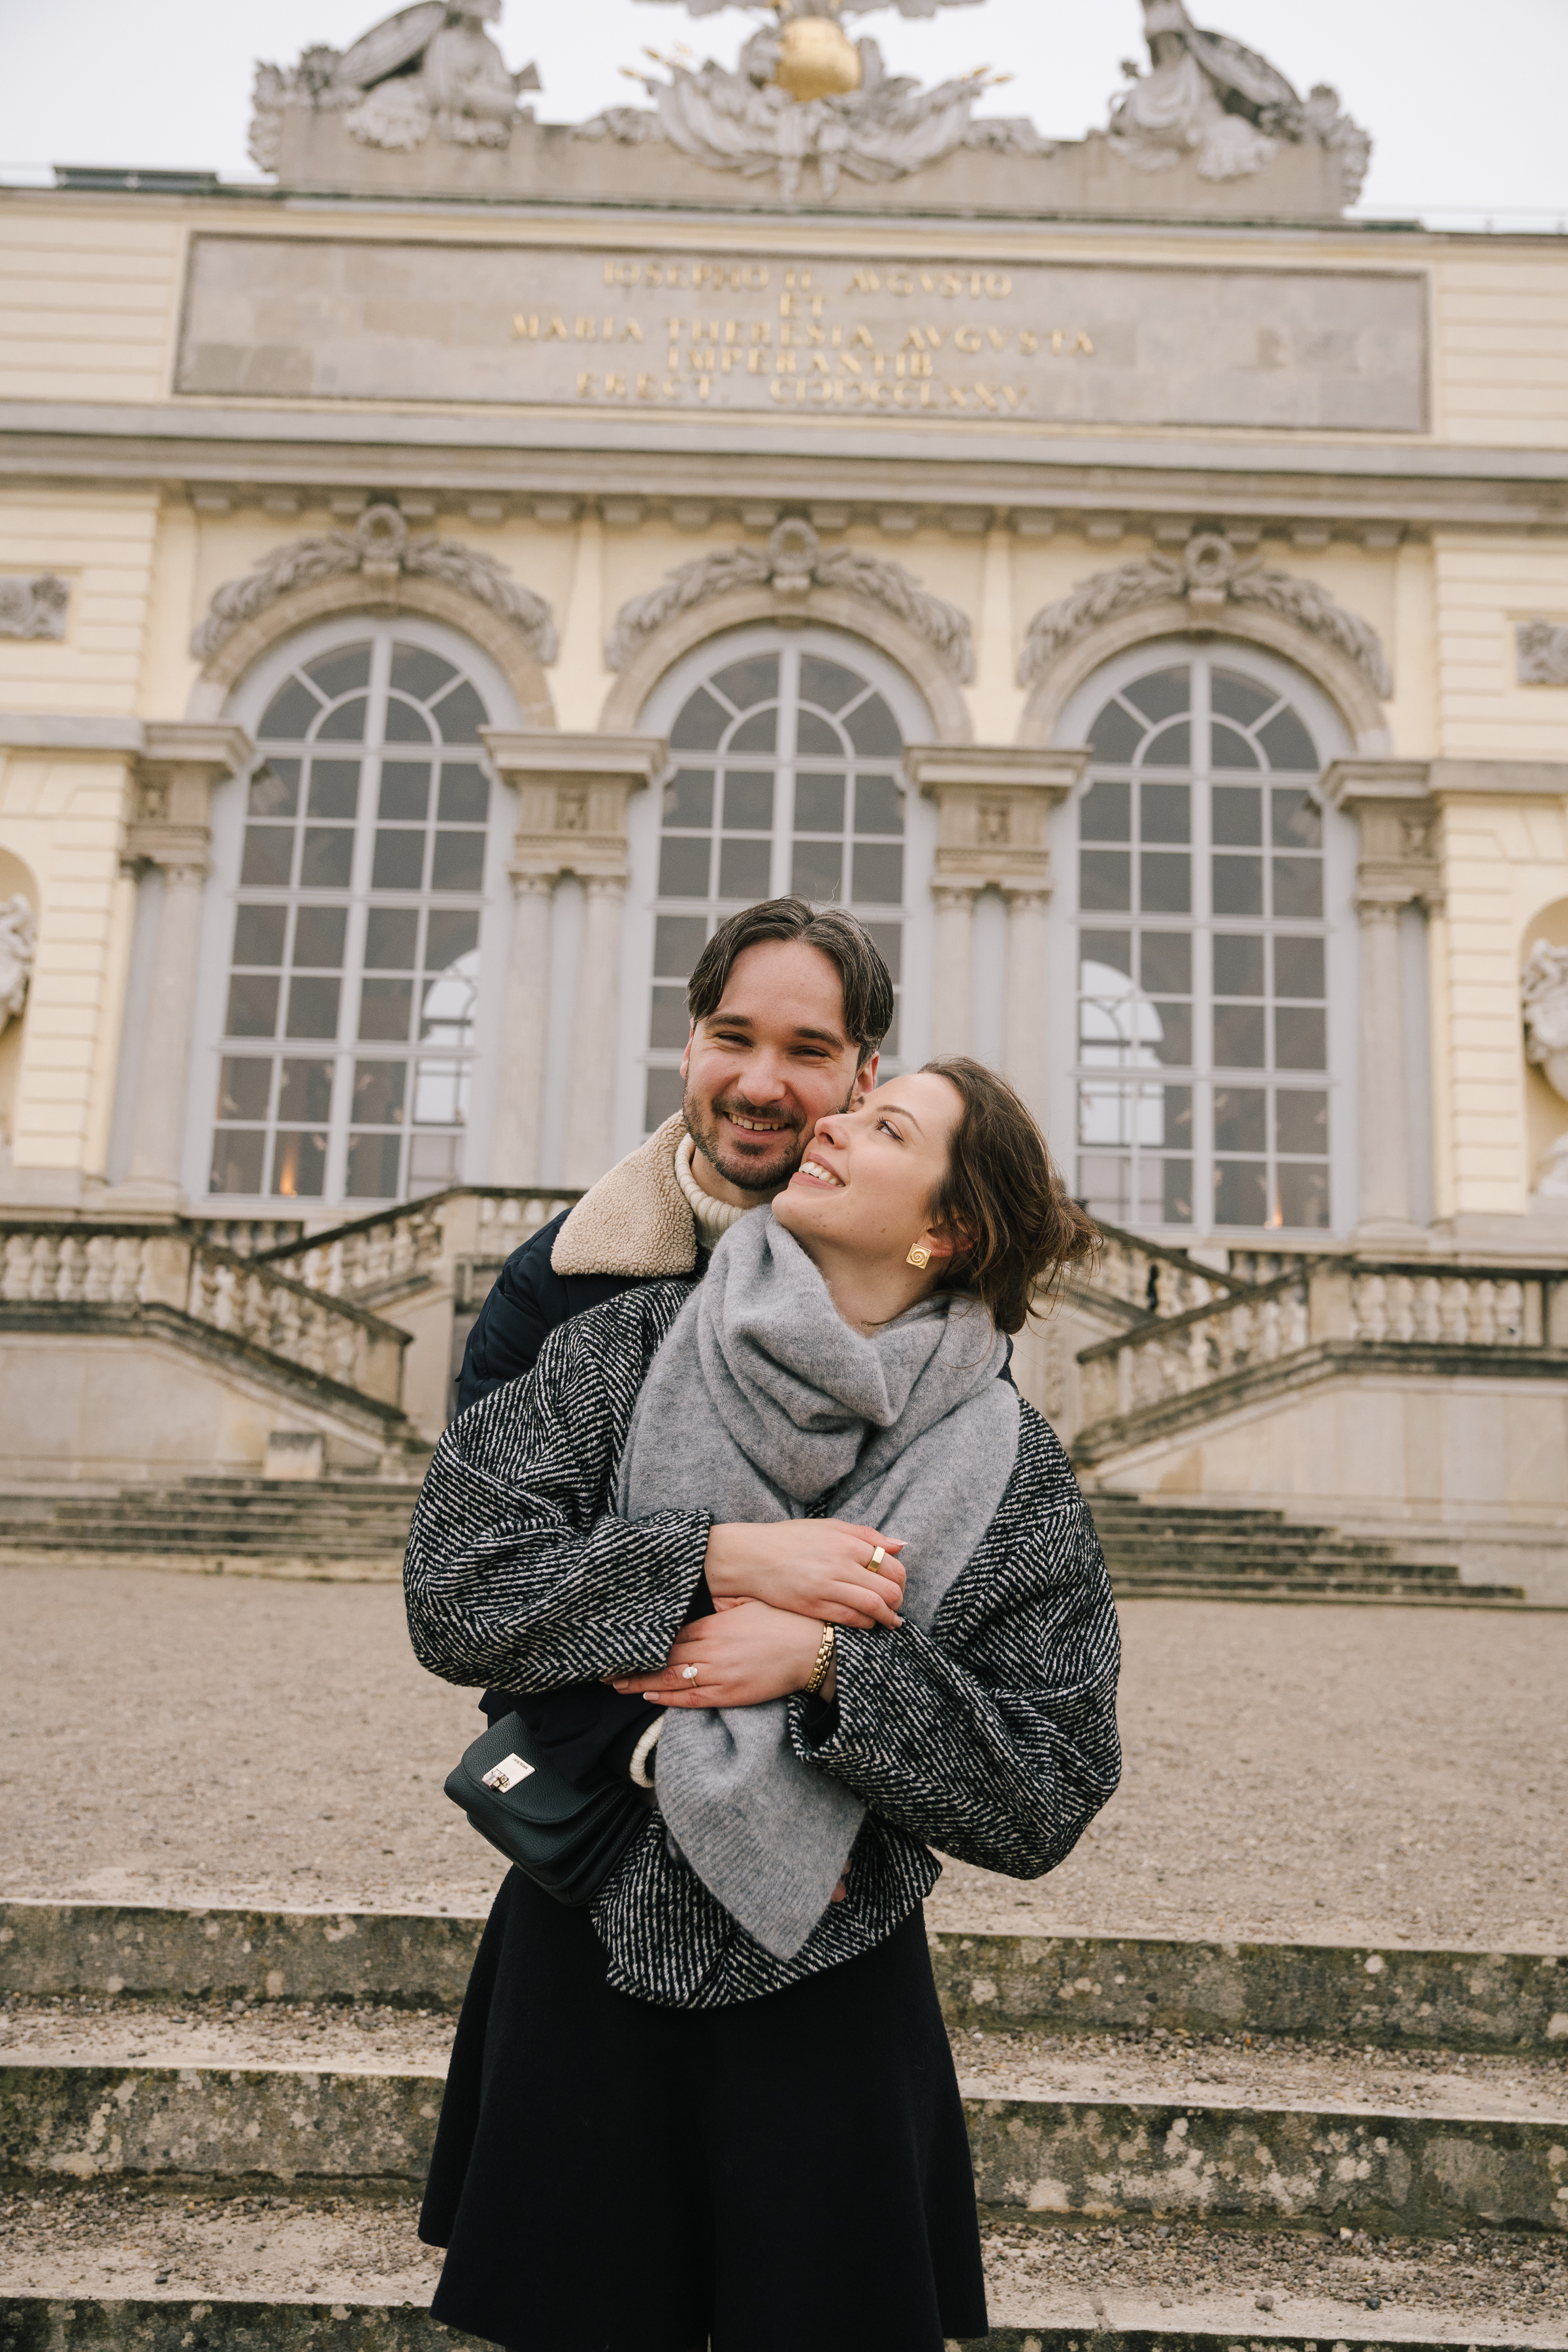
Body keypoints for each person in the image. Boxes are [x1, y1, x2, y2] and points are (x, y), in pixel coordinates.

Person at [405, 1050, 1122, 2352]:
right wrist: (709, 1562)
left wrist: (826, 1666)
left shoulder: (1011, 1466)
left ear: (948, 1232)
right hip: (591, 1927)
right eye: (855, 1110)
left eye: (886, 1128)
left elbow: (1053, 1785)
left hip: (831, 1985)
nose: (830, 1126)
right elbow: (455, 1588)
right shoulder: (623, 1346)